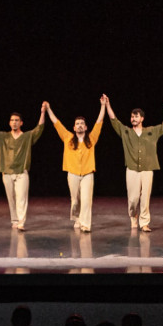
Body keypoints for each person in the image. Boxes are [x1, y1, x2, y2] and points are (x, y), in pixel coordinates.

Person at [105, 97, 163, 232]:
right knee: (133, 199)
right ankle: (133, 215)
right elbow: (114, 121)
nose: (133, 118)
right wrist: (107, 104)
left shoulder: (151, 131)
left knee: (145, 197)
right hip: (132, 169)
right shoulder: (126, 132)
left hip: (147, 169)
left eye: (136, 116)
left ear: (142, 119)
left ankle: (144, 223)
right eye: (132, 116)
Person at [0, 104, 46, 231]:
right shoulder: (3, 136)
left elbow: (39, 128)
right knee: (11, 198)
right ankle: (14, 220)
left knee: (21, 197)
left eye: (17, 120)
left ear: (21, 123)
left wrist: (42, 112)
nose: (14, 123)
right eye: (12, 120)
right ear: (9, 123)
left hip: (21, 171)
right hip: (7, 171)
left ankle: (21, 222)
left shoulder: (27, 136)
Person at [44, 96, 106, 233]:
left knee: (86, 200)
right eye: (77, 124)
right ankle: (77, 217)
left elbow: (99, 122)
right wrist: (48, 109)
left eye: (81, 124)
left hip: (88, 174)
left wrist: (103, 106)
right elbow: (56, 123)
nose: (79, 125)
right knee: (76, 201)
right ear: (74, 127)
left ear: (85, 127)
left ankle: (85, 224)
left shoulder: (92, 138)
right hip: (72, 173)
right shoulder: (68, 138)